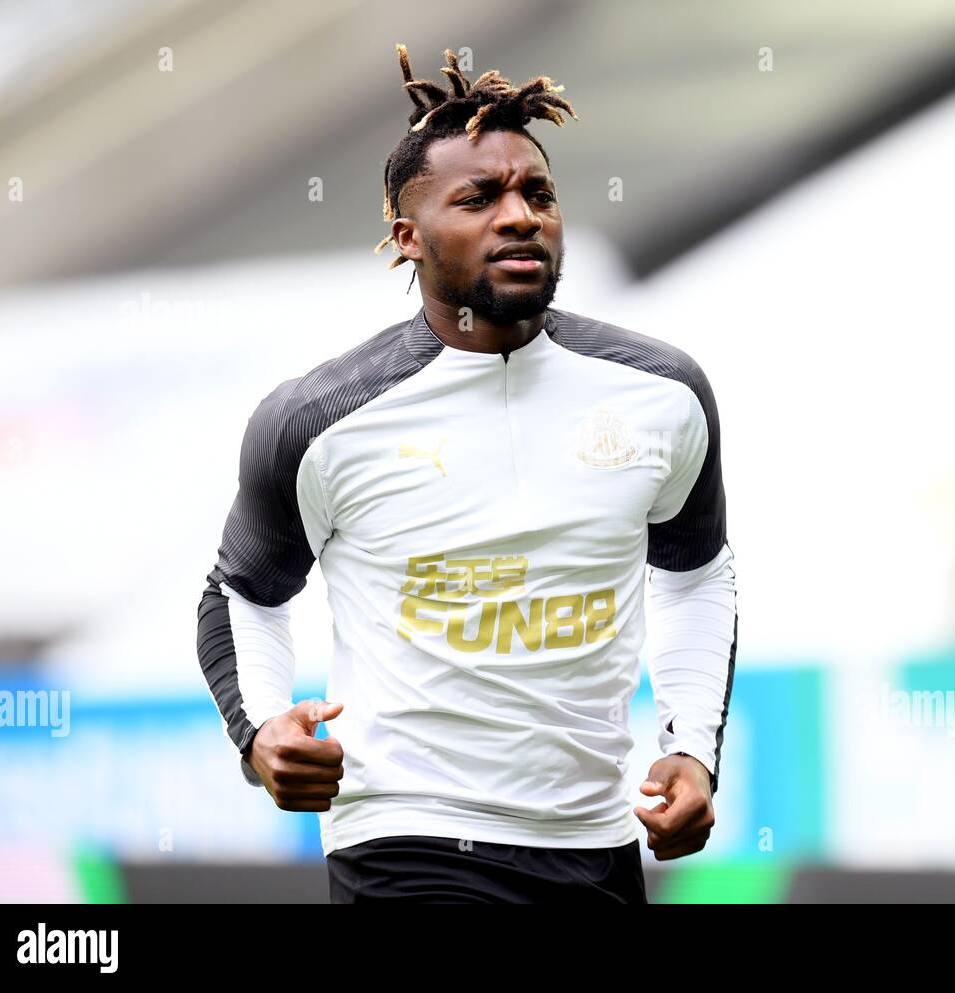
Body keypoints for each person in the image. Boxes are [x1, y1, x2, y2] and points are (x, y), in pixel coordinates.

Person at [195, 44, 737, 904]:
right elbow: (243, 591)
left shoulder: (663, 394)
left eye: (538, 194)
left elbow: (696, 573)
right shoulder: (318, 417)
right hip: (407, 838)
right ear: (409, 238)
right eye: (479, 198)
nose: (519, 215)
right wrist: (259, 728)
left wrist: (692, 745)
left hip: (594, 846)